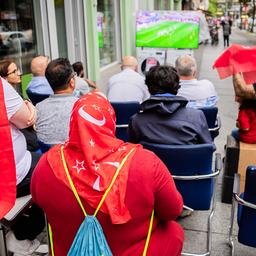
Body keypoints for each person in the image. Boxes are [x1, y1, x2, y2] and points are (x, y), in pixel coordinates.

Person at [31, 90, 184, 256]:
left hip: (69, 250)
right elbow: (172, 211)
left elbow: (40, 201)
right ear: (110, 121)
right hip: (133, 251)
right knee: (174, 231)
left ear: (73, 122)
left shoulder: (47, 164)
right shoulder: (146, 162)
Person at [0, 77, 46, 255]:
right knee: (54, 173)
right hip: (10, 175)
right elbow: (25, 120)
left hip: (15, 167)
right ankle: (23, 237)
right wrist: (30, 108)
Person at [128, 65, 212, 145]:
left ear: (148, 89)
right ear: (177, 88)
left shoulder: (136, 121)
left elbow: (132, 151)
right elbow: (207, 147)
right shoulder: (196, 116)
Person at [35, 58, 78, 144]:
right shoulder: (81, 106)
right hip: (73, 156)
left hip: (46, 155)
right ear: (72, 82)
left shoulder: (38, 108)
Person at [0, 59, 39, 151]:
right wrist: (30, 107)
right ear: (4, 79)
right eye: (14, 72)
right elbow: (29, 120)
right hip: (27, 144)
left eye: (17, 69)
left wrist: (29, 105)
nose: (20, 73)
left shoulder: (18, 94)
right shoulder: (8, 99)